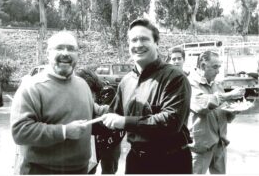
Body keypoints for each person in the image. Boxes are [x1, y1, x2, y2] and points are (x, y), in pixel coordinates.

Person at [101, 18, 193, 174]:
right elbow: (113, 116)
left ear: (156, 43)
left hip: (170, 162)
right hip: (136, 162)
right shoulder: (126, 81)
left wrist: (124, 121)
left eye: (144, 39)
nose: (138, 44)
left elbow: (170, 122)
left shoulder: (175, 77)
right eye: (133, 40)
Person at [10, 31, 106, 174]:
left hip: (81, 170)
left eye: (71, 49)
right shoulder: (32, 87)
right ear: (48, 53)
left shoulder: (83, 85)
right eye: (59, 48)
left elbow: (89, 114)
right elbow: (20, 131)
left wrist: (105, 113)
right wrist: (64, 131)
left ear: (77, 54)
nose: (66, 53)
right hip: (41, 171)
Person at [187, 50, 245, 174]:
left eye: (219, 67)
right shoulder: (189, 83)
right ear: (202, 65)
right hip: (201, 146)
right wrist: (229, 95)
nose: (218, 71)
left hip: (220, 143)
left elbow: (224, 113)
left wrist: (234, 111)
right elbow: (202, 105)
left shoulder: (217, 84)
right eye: (215, 67)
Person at [76, 68, 122, 174]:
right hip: (91, 142)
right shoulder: (77, 94)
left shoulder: (108, 91)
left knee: (109, 170)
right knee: (89, 170)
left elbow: (106, 122)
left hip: (111, 142)